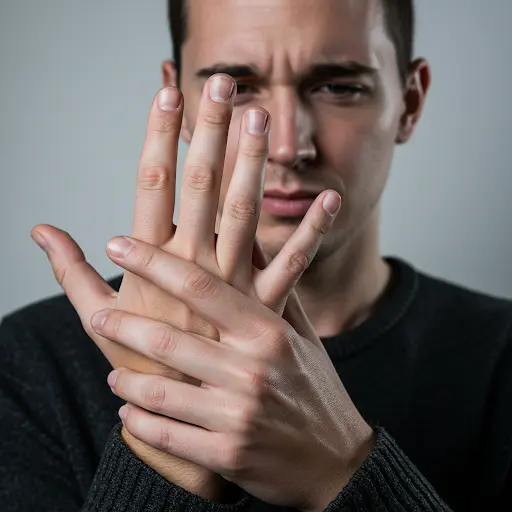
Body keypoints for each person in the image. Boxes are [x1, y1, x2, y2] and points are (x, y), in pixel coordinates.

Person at [1, 0, 511, 510]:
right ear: (179, 98)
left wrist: (342, 468)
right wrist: (166, 436)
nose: (287, 146)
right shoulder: (27, 366)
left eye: (339, 87)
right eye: (236, 87)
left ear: (410, 101)